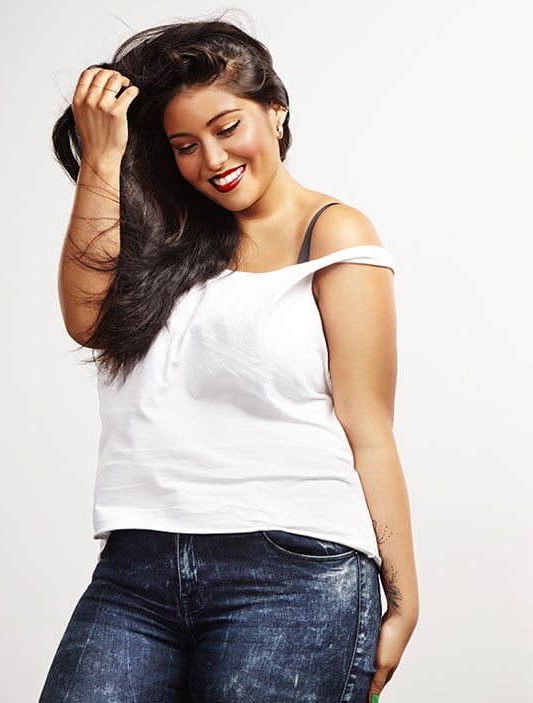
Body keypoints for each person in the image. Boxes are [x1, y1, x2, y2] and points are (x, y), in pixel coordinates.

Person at [41, 18, 419, 703]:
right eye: (184, 145)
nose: (210, 159)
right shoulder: (161, 238)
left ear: (275, 110)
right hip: (137, 568)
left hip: (293, 572)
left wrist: (404, 598)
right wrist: (101, 160)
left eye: (226, 127)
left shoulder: (332, 233)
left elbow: (369, 427)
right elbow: (86, 320)